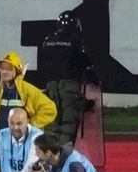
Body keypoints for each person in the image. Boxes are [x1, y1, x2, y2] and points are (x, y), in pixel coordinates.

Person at [38, 11, 97, 146]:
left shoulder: (48, 41)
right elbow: (86, 63)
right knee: (68, 124)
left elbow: (43, 64)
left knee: (52, 122)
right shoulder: (76, 41)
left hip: (51, 86)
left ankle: (50, 153)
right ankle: (63, 154)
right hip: (70, 86)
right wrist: (94, 79)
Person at [28, 132, 104, 172]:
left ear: (48, 153)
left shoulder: (74, 161)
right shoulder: (48, 162)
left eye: (38, 152)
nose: (36, 154)